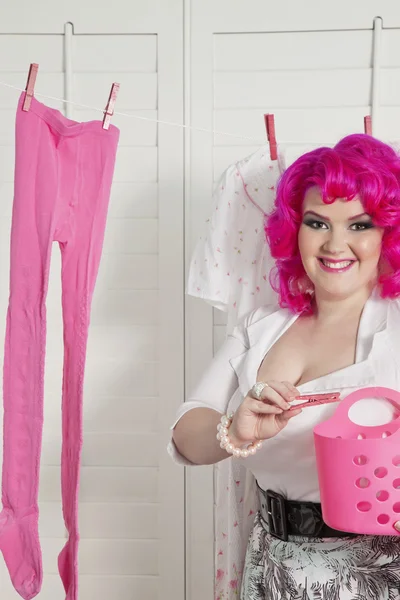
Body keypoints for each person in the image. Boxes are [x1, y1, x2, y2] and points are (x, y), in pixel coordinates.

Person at [170, 134, 400, 600]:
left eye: (359, 225)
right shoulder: (261, 327)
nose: (335, 244)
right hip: (272, 568)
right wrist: (236, 431)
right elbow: (185, 435)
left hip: (381, 575)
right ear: (294, 229)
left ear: (388, 234)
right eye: (317, 222)